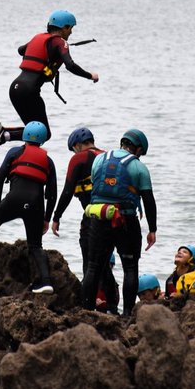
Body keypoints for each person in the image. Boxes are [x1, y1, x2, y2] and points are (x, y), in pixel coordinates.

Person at [0, 10, 98, 155]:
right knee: (44, 133)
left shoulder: (38, 38)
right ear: (64, 27)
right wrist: (90, 75)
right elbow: (70, 65)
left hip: (15, 89)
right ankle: (1, 133)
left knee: (33, 131)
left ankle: (1, 134)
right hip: (29, 91)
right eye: (70, 28)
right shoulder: (60, 42)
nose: (71, 32)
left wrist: (45, 52)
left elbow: (21, 50)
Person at [0, 121, 58, 294]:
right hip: (36, 204)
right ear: (42, 140)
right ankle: (46, 282)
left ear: (24, 136)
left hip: (14, 199)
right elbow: (52, 193)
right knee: (35, 245)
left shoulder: (14, 152)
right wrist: (47, 219)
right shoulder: (48, 161)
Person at [79, 128, 157, 316]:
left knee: (93, 267)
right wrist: (152, 229)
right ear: (138, 149)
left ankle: (86, 311)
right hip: (126, 220)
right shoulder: (139, 167)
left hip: (99, 217)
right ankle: (127, 314)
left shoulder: (100, 159)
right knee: (130, 268)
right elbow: (148, 200)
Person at [51, 126, 117, 311]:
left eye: (74, 148)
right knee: (103, 264)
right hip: (114, 216)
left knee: (90, 263)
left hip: (93, 217)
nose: (74, 151)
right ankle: (114, 308)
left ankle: (87, 309)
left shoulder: (79, 158)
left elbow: (68, 189)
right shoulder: (108, 156)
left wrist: (56, 216)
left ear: (78, 145)